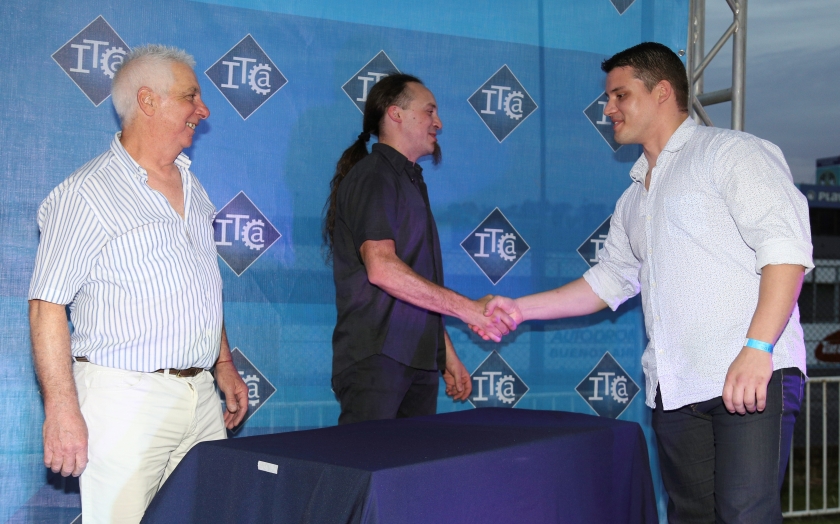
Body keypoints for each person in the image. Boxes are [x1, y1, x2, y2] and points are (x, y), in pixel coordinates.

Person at [477, 42, 812, 523]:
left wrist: (758, 348)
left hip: (752, 373)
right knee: (690, 517)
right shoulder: (633, 198)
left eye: (620, 95)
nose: (608, 109)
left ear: (661, 92)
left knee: (745, 515)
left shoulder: (731, 152)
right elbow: (607, 282)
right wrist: (518, 308)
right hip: (675, 389)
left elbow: (786, 252)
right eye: (607, 98)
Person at [28, 44, 248, 523]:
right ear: (148, 101)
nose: (204, 110)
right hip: (124, 399)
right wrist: (61, 409)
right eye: (191, 97)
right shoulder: (86, 194)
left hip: (201, 399)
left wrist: (223, 363)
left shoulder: (194, 188)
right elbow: (46, 305)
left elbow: (199, 285)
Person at [323, 73, 514, 425]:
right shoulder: (374, 176)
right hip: (379, 358)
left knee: (412, 462)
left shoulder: (409, 180)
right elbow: (382, 268)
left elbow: (415, 280)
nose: (438, 123)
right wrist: (469, 310)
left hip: (417, 359)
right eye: (429, 111)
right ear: (396, 114)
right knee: (367, 461)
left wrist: (445, 353)